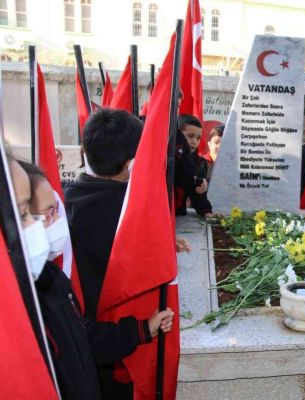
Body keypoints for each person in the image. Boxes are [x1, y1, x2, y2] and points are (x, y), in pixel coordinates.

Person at [16, 160, 174, 400]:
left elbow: (82, 339)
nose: (58, 220)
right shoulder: (17, 302)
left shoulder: (50, 277)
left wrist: (140, 330)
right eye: (46, 212)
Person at [64, 109, 174, 398]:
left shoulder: (68, 198)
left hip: (85, 352)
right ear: (130, 164)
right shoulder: (127, 217)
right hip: (113, 353)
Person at [176, 114, 214, 218]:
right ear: (177, 135)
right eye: (190, 136)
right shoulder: (167, 159)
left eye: (198, 138)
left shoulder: (197, 163)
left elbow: (197, 193)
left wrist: (206, 211)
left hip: (179, 216)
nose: (194, 142)